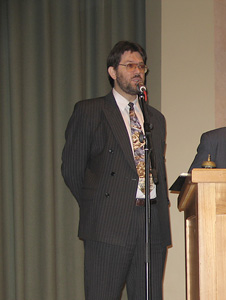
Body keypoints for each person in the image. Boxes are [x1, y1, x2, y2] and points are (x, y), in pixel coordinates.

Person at [61, 41, 171, 300]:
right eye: (130, 65)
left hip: (151, 223)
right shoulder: (90, 111)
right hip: (109, 225)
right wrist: (101, 205)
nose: (138, 71)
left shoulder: (155, 118)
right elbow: (72, 169)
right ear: (112, 72)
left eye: (141, 66)